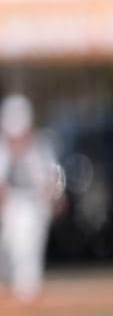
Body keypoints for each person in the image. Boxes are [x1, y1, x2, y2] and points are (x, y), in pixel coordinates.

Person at [0, 93, 63, 304]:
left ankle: (26, 299)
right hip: (10, 206)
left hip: (32, 205)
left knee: (27, 250)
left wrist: (54, 200)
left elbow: (51, 181)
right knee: (8, 253)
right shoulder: (2, 149)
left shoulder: (41, 146)